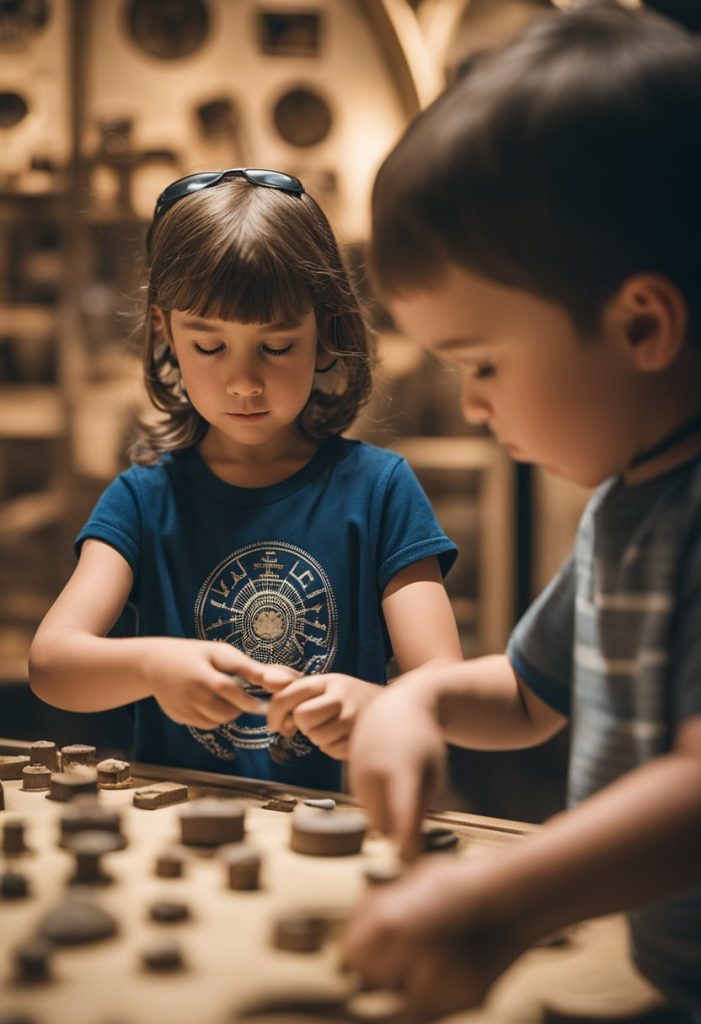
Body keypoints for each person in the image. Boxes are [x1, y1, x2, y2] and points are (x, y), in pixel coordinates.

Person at [339, 4, 701, 1019]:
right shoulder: (627, 506)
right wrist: (418, 701)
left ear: (639, 324)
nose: (470, 404)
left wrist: (503, 903)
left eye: (483, 362)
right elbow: (533, 690)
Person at [29, 167, 462, 791]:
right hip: (176, 830)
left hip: (337, 828)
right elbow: (51, 664)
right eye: (210, 347)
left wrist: (379, 705)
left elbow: (446, 688)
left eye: (277, 347)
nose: (243, 382)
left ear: (327, 333)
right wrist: (152, 663)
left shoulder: (382, 490)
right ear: (165, 332)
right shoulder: (143, 498)